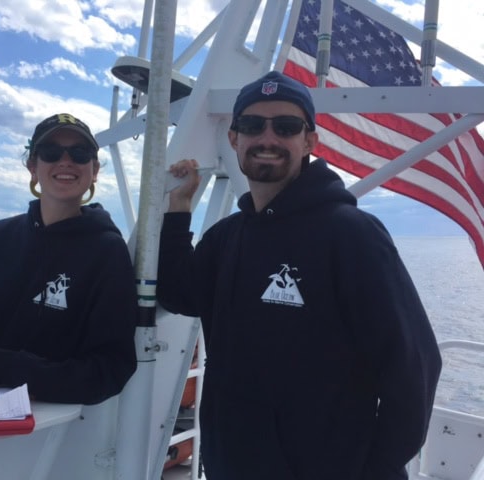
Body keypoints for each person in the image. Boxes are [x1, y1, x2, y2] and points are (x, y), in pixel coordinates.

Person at [157, 71, 442, 479]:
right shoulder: (226, 238)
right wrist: (178, 211)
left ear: (309, 140)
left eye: (286, 126)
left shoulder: (351, 234)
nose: (267, 138)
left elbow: (414, 367)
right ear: (234, 138)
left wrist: (374, 469)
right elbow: (178, 294)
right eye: (253, 125)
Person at [0, 113, 138, 405]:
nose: (65, 161)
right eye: (50, 152)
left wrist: (7, 367)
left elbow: (109, 368)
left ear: (94, 170)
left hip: (54, 428)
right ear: (33, 167)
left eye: (80, 154)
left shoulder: (107, 251)